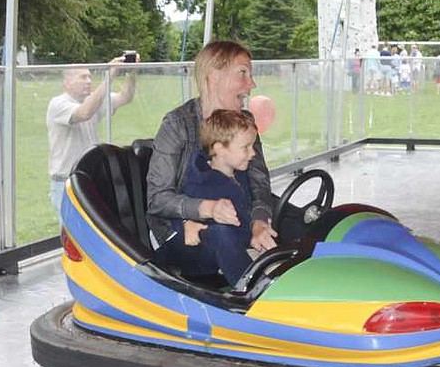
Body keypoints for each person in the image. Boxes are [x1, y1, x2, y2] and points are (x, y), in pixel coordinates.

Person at [147, 40, 286, 260]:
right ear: (214, 77)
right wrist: (207, 208)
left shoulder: (245, 121)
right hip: (186, 229)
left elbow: (258, 181)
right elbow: (158, 199)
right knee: (223, 237)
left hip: (238, 217)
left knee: (302, 225)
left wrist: (259, 221)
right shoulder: (177, 125)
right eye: (243, 73)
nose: (252, 84)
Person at [155, 109, 258, 286]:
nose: (253, 153)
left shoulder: (239, 175)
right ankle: (254, 291)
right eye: (245, 148)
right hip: (187, 256)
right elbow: (179, 206)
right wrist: (187, 223)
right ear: (219, 148)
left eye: (252, 146)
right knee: (220, 234)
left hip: (233, 247)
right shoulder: (200, 180)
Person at [46, 57, 137, 214]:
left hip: (90, 178)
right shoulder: (58, 104)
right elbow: (84, 113)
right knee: (73, 234)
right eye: (82, 77)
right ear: (67, 82)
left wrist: (132, 72)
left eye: (89, 76)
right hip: (66, 182)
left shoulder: (93, 100)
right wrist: (109, 76)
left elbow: (125, 97)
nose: (88, 81)